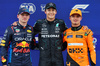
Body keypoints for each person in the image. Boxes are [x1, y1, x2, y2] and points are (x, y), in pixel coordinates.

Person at [12, 3, 88, 66]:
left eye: (53, 10)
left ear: (56, 12)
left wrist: (83, 28)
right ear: (45, 11)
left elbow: (71, 32)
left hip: (58, 60)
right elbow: (29, 33)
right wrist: (18, 25)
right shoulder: (39, 23)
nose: (51, 12)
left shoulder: (61, 23)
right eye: (49, 10)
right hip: (44, 60)